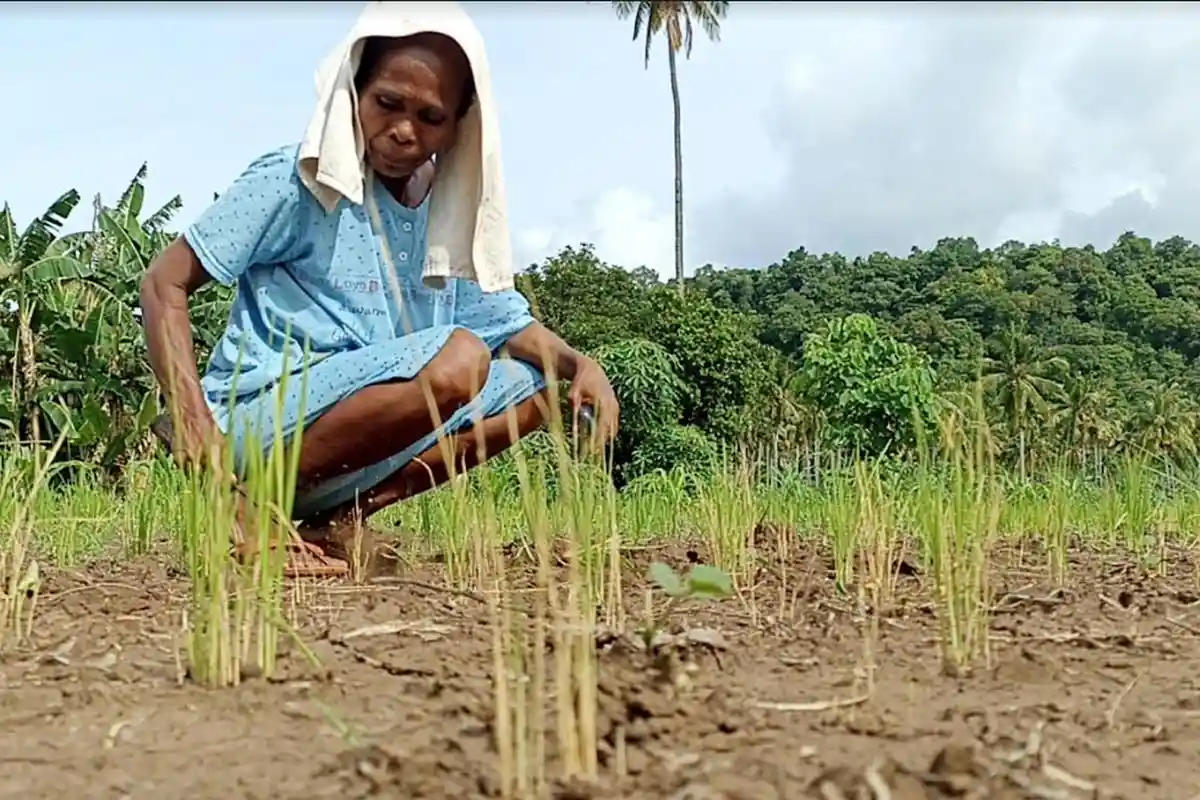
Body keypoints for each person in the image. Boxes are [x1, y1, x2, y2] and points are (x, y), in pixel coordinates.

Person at [138, 21, 619, 577]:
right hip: (256, 425)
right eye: (387, 103)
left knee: (540, 391)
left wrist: (583, 367)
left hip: (357, 443)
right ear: (353, 92)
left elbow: (510, 328)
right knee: (460, 359)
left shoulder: (450, 210)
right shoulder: (297, 179)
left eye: (429, 117)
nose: (403, 131)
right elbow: (162, 283)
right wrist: (193, 420)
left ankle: (340, 522)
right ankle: (243, 511)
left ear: (459, 126)